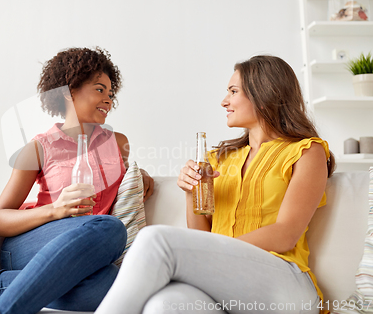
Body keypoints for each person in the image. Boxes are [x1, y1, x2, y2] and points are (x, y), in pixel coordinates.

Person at [0, 47, 154, 314]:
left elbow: (125, 182)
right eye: (99, 89)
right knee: (110, 228)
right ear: (68, 91)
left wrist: (139, 177)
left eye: (110, 93)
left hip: (84, 252)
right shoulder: (39, 148)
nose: (108, 99)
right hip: (30, 244)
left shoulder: (118, 143)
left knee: (108, 283)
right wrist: (55, 209)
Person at [95, 55, 335, 314]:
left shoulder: (307, 152)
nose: (224, 101)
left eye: (233, 91)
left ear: (264, 94)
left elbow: (286, 233)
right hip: (226, 280)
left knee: (156, 239)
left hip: (284, 282)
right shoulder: (219, 158)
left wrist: (214, 252)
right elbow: (202, 238)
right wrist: (190, 193)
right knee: (163, 305)